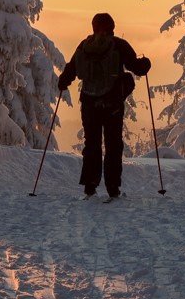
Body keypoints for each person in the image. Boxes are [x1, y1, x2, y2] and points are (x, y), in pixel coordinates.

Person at [58, 13, 151, 201]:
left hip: (89, 104)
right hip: (112, 105)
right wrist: (146, 63)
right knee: (113, 145)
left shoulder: (84, 46)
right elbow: (137, 68)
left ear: (93, 27)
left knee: (91, 144)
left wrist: (63, 82)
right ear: (112, 27)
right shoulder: (119, 45)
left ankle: (90, 188)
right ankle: (113, 189)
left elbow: (70, 70)